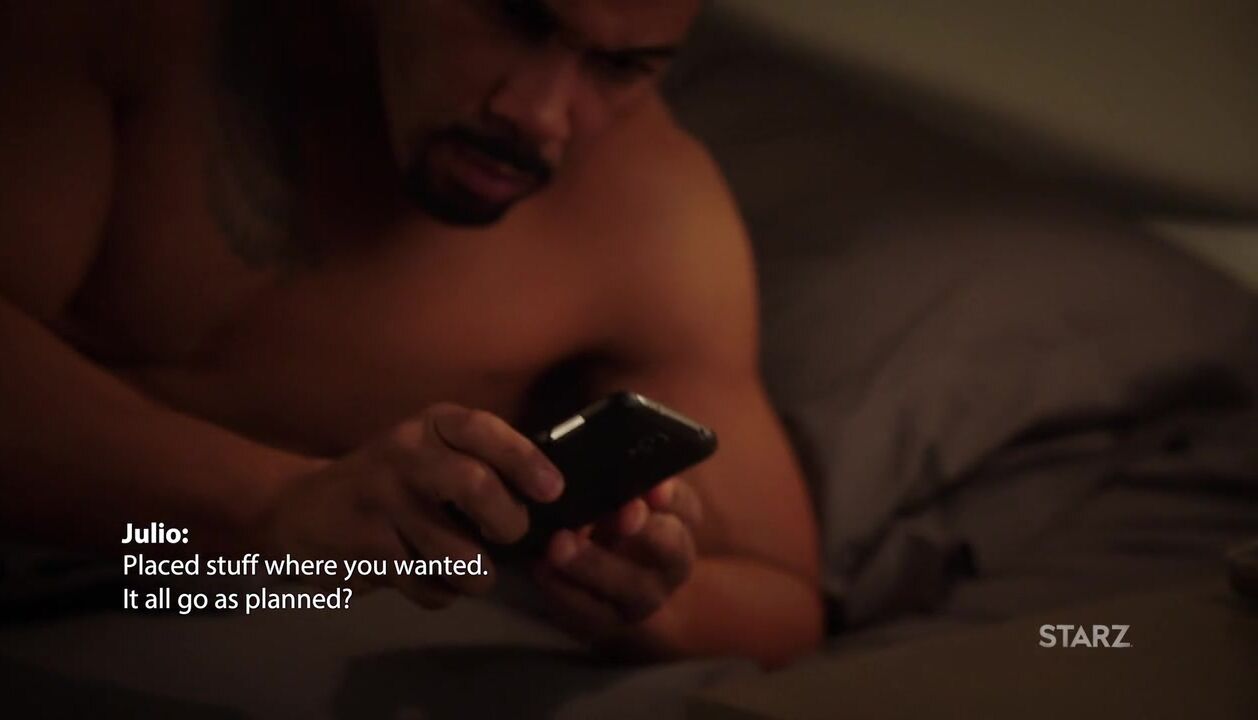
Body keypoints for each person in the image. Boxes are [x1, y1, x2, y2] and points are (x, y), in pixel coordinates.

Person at [0, 0, 820, 666]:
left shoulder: (653, 216)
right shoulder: (132, 28)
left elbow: (782, 600)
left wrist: (648, 599)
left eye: (621, 66)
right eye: (514, 16)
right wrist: (277, 507)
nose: (537, 114)